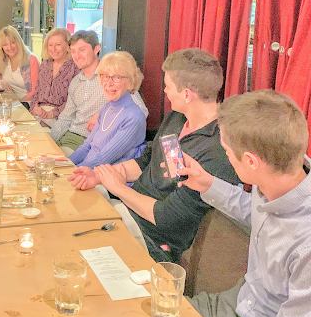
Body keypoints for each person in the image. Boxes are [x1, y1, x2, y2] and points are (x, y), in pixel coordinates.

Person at [68, 48, 240, 263]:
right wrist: (99, 175)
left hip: (153, 241)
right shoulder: (177, 117)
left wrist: (119, 189)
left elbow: (167, 219)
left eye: (168, 86)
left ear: (187, 94)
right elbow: (148, 160)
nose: (165, 91)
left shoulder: (218, 150)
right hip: (127, 215)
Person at [182, 90, 311, 317]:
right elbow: (255, 213)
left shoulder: (305, 245)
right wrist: (207, 184)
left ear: (251, 161)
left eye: (227, 151)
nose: (226, 156)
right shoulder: (282, 172)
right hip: (237, 302)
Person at [50, 30, 148, 154]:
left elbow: (141, 111)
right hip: (69, 136)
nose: (77, 56)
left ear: (96, 49)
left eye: (82, 50)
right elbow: (65, 118)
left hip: (91, 143)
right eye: (73, 51)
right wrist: (49, 141)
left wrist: (103, 113)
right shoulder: (76, 81)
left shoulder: (113, 77)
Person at [69, 51, 147, 168]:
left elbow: (103, 159)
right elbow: (86, 148)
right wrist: (63, 164)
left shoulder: (134, 117)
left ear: (130, 82)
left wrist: (71, 173)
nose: (109, 84)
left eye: (117, 77)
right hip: (87, 170)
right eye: (105, 76)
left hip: (102, 176)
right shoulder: (106, 109)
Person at [30, 27, 79, 127]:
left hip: (61, 117)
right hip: (39, 113)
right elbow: (37, 91)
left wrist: (52, 113)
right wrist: (34, 108)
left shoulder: (75, 68)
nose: (53, 49)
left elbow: (75, 100)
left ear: (67, 46)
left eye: (58, 45)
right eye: (50, 45)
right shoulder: (45, 65)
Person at [0, 25, 39, 104]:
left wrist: (17, 103)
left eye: (13, 43)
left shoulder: (31, 59)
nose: (9, 47)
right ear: (1, 47)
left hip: (27, 103)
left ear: (19, 42)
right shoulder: (3, 59)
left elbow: (36, 91)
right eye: (5, 45)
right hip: (7, 102)